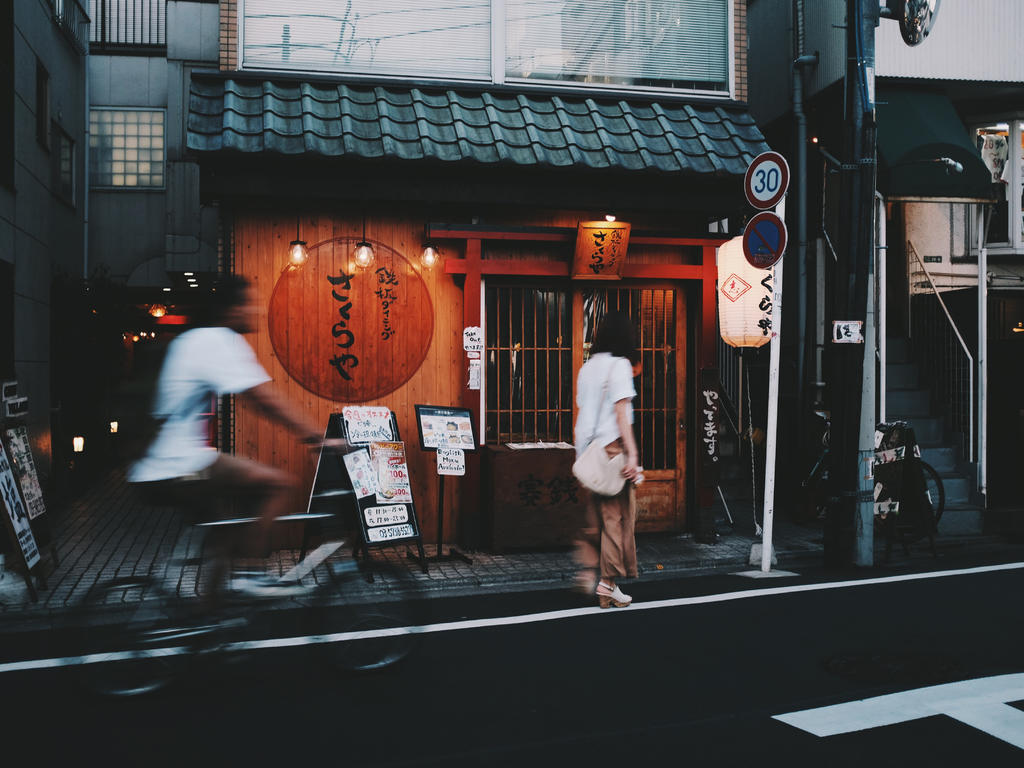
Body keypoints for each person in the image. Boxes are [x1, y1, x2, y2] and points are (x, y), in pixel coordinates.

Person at [128, 274, 342, 600]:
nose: (255, 311)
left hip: (161, 466)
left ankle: (206, 626)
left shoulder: (192, 339)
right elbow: (262, 400)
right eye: (250, 303)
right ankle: (252, 574)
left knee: (223, 535)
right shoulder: (218, 340)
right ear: (230, 309)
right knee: (278, 483)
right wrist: (317, 437)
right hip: (181, 464)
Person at [573, 311, 643, 608]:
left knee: (596, 519)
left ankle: (594, 576)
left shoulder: (587, 368)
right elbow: (620, 413)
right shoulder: (620, 365)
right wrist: (633, 455)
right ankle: (608, 584)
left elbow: (582, 410)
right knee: (617, 519)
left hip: (587, 452)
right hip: (612, 448)